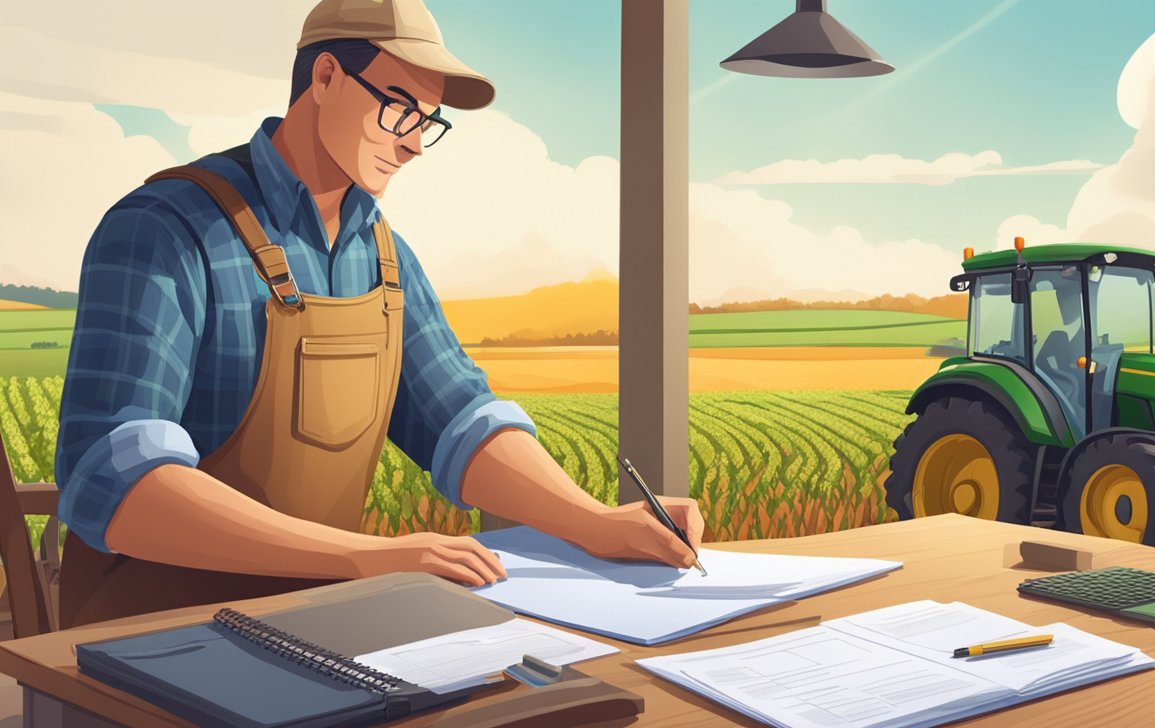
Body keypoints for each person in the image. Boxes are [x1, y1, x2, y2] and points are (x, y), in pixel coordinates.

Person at [53, 0, 704, 628]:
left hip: (318, 616)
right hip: (147, 629)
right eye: (398, 110)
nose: (415, 143)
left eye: (428, 120)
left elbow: (459, 420)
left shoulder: (384, 256)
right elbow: (115, 477)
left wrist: (594, 522)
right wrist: (361, 557)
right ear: (327, 78)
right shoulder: (165, 229)